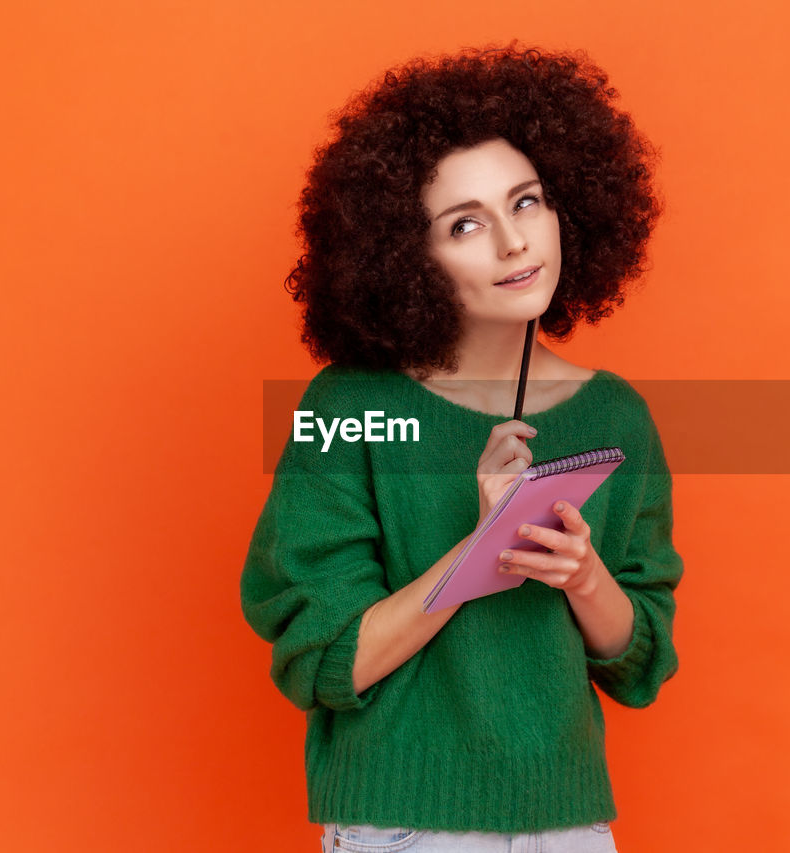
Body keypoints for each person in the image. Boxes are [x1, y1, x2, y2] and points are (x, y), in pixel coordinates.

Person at [242, 45, 684, 853]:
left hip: (568, 819)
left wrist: (585, 577)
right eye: (466, 223)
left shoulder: (616, 414)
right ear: (409, 257)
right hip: (405, 822)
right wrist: (481, 549)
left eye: (528, 201)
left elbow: (639, 659)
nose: (515, 243)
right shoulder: (349, 408)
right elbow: (326, 659)